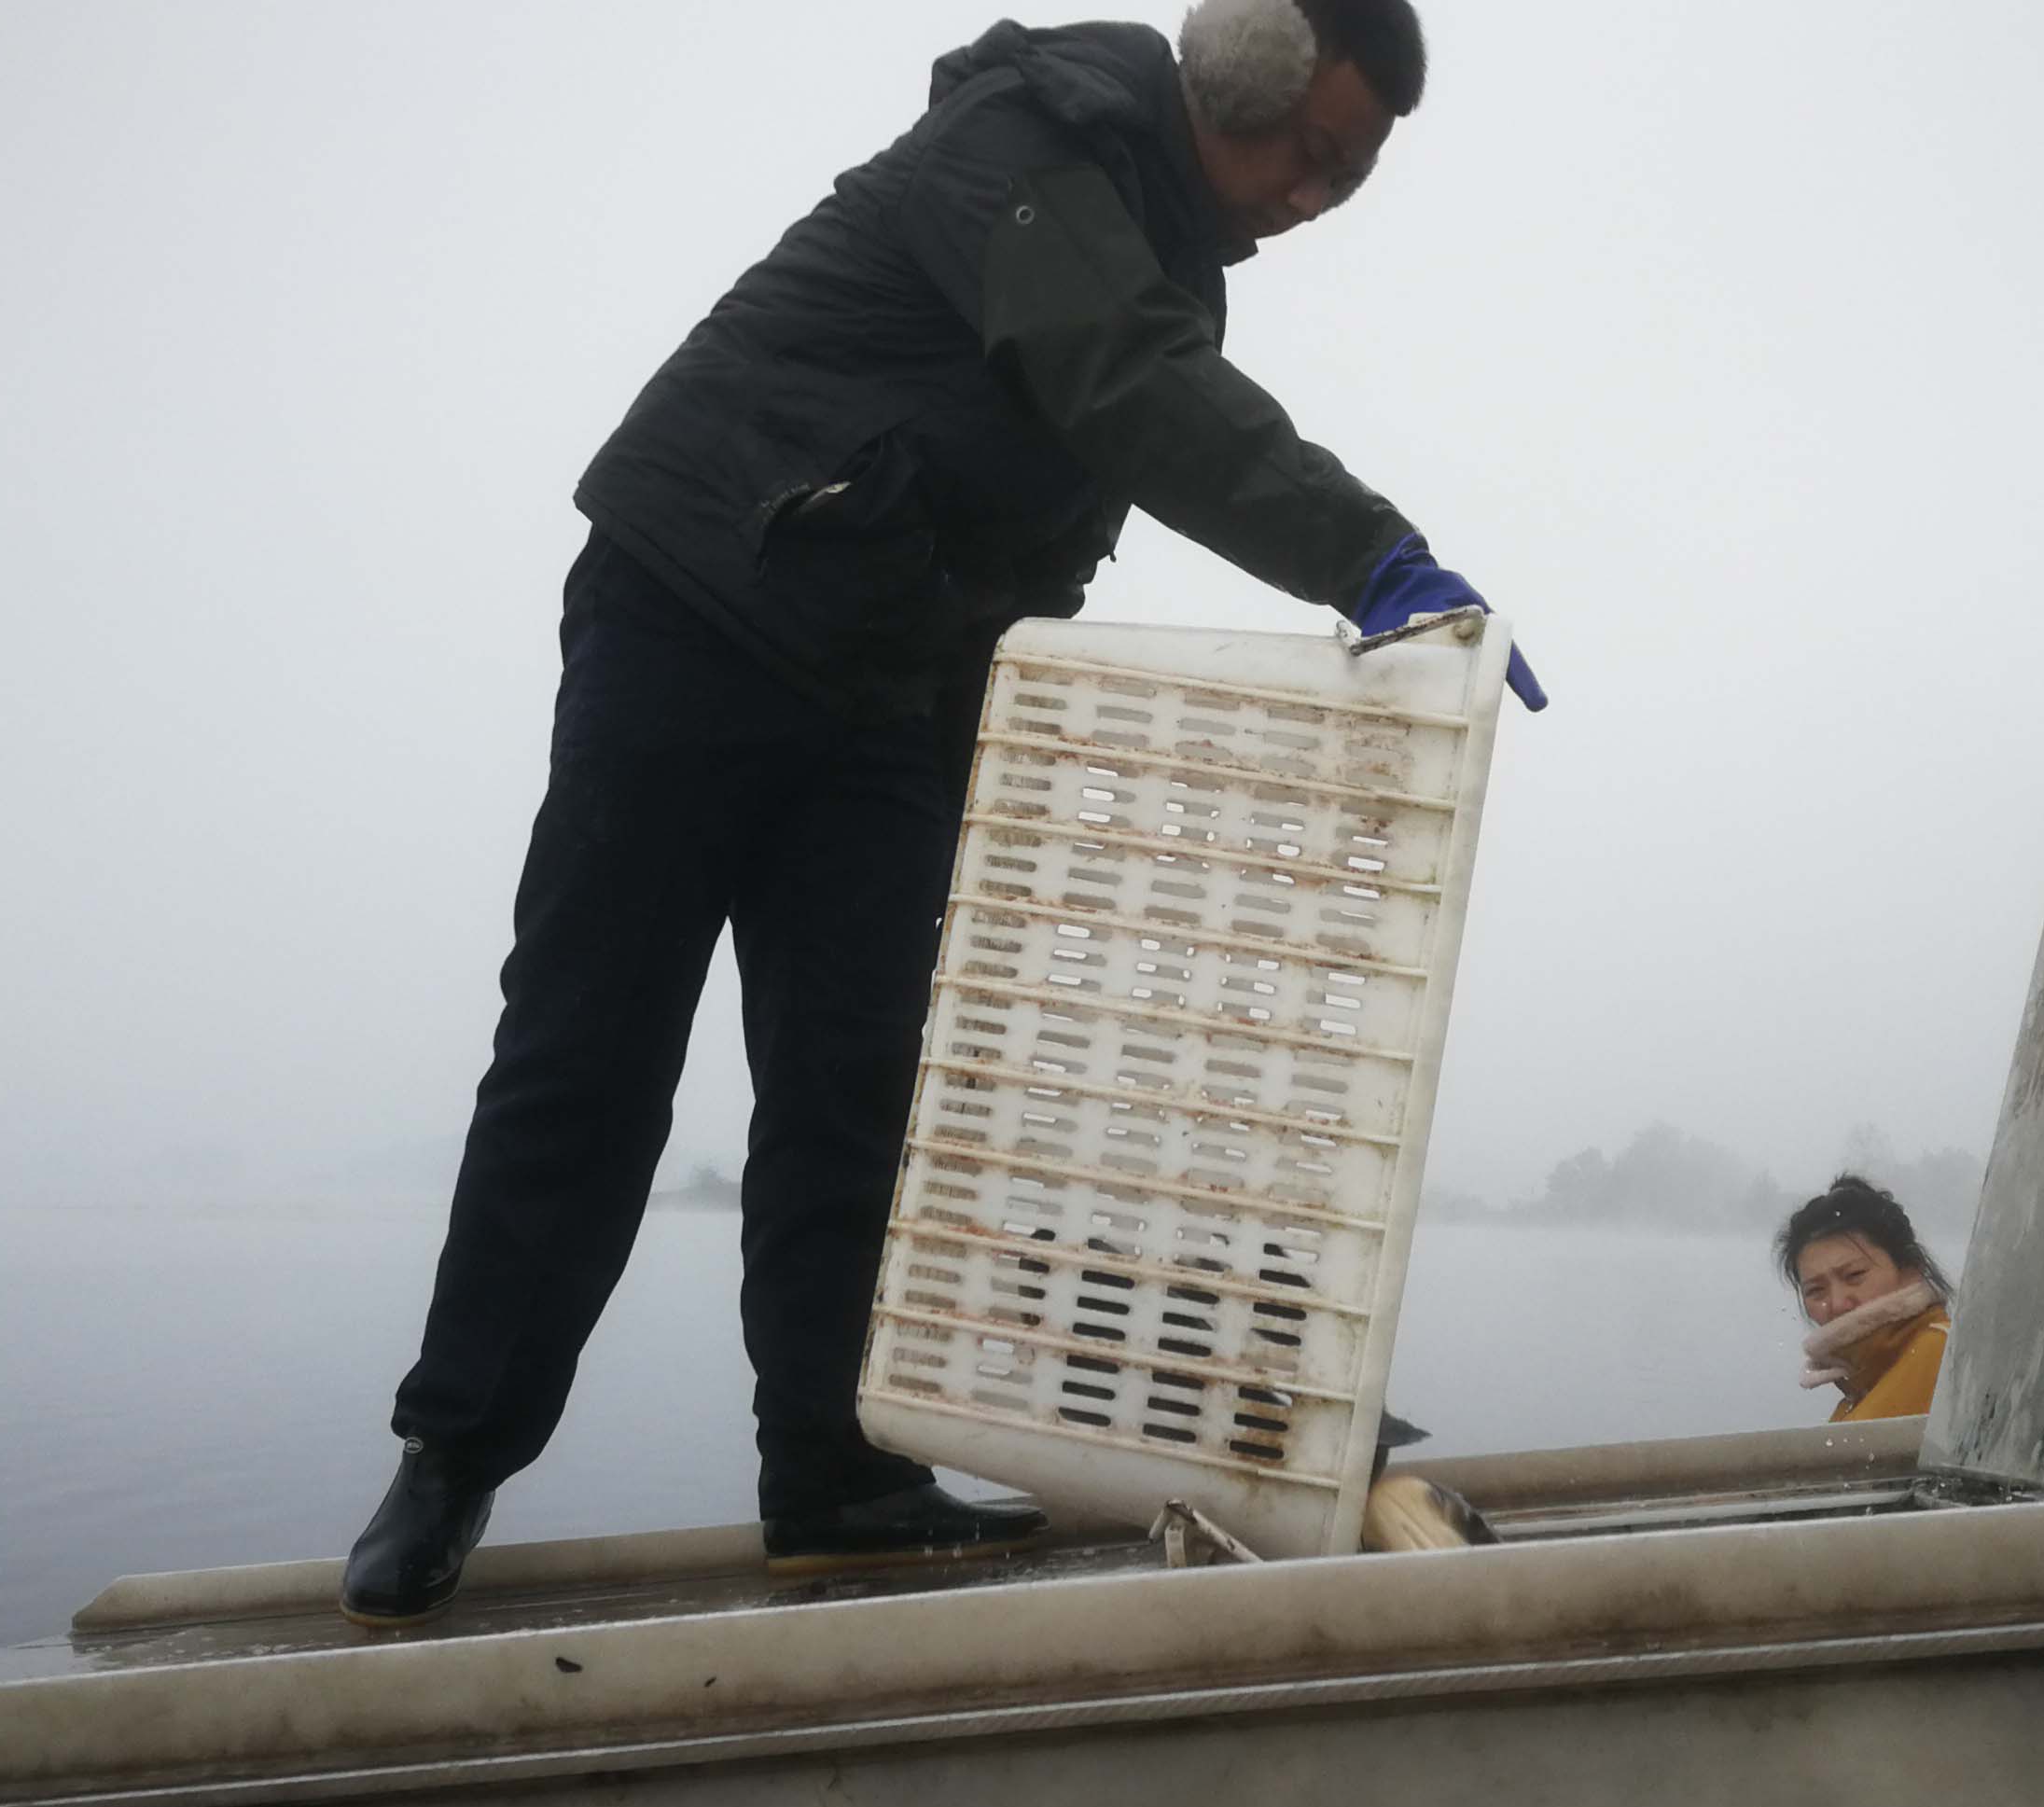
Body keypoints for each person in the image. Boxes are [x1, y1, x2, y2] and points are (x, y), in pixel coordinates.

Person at [340, 0, 1548, 1626]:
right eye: (1313, 153)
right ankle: (452, 1457)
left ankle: (834, 1482)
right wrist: (1371, 558)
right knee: (586, 1052)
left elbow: (1028, 557)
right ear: (1240, 79)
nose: (1314, 198)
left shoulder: (1170, 267)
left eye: (1351, 178)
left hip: (880, 698)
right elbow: (1125, 382)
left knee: (856, 1097)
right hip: (696, 604)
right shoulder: (1028, 139)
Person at [1778, 1176, 1954, 1424]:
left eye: (1854, 1275)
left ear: (1910, 1270)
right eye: (1816, 1291)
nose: (1838, 1303)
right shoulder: (1860, 1388)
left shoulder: (1944, 1357)